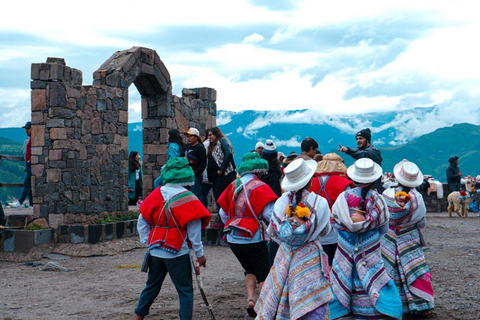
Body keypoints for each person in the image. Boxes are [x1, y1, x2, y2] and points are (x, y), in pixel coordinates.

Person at [255, 158, 333, 319]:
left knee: (279, 296)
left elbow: (274, 233)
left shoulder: (281, 202)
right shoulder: (320, 203)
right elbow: (325, 231)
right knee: (311, 300)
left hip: (285, 255)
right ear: (309, 180)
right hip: (310, 255)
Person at [134, 157, 211, 320]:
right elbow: (194, 232)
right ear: (187, 175)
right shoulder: (190, 199)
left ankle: (138, 317)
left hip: (155, 251)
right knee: (185, 291)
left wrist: (148, 241)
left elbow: (142, 219)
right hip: (177, 252)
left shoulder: (156, 194)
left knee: (151, 287)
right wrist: (200, 254)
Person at [329, 158, 402, 320]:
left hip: (345, 245)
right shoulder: (379, 200)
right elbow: (384, 227)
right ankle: (372, 311)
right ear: (372, 179)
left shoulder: (343, 198)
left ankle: (343, 311)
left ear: (354, 178)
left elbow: (333, 221)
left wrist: (347, 233)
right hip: (370, 246)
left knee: (344, 274)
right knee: (372, 274)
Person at [218, 152, 278, 318]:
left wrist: (236, 220)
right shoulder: (261, 187)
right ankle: (263, 306)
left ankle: (250, 299)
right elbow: (270, 215)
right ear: (259, 171)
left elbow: (223, 213)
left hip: (233, 237)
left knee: (249, 269)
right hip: (254, 237)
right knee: (263, 273)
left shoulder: (232, 185)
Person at [382, 160, 435, 317]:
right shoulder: (417, 197)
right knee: (414, 268)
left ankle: (391, 304)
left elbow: (383, 217)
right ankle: (419, 303)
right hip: (410, 236)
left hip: (390, 236)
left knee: (390, 269)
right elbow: (421, 222)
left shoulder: (386, 195)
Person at [309, 153, 354, 268]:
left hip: (313, 225)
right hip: (335, 228)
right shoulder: (344, 183)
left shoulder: (311, 182)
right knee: (333, 261)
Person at [260, 139, 283, 265]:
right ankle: (272, 260)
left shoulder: (262, 170)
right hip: (274, 201)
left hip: (262, 201)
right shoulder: (276, 170)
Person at [206, 126, 236, 206]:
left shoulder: (222, 141)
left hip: (224, 175)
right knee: (218, 198)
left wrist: (221, 169)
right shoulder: (213, 145)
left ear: (216, 134)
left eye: (211, 135)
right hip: (215, 177)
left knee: (222, 198)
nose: (209, 137)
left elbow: (228, 153)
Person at [8, 121, 32, 208]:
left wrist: (29, 160)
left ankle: (20, 202)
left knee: (27, 183)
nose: (26, 130)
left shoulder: (33, 139)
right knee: (29, 184)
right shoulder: (30, 139)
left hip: (30, 163)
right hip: (28, 163)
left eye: (28, 128)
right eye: (25, 129)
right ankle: (32, 204)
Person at [181, 128, 207, 199]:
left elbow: (203, 163)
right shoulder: (186, 146)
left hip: (195, 176)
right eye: (188, 136)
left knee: (194, 195)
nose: (189, 138)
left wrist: (196, 173)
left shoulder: (200, 148)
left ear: (196, 137)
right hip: (185, 175)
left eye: (191, 136)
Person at [199, 128, 213, 209]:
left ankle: (203, 210)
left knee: (202, 194)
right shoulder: (218, 143)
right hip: (215, 174)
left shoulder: (205, 144)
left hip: (206, 173)